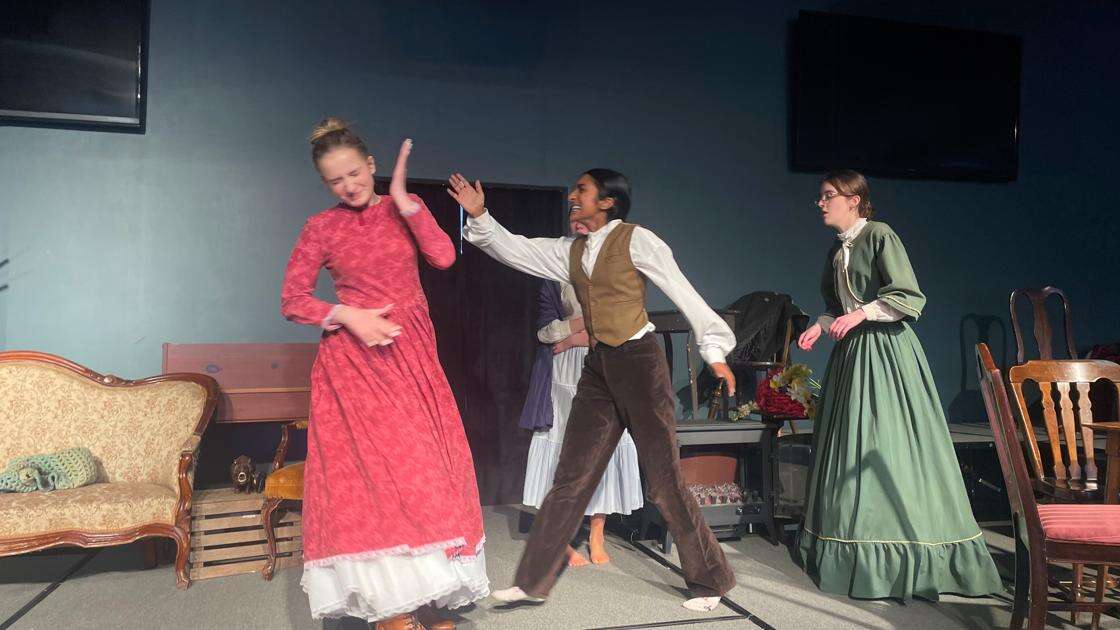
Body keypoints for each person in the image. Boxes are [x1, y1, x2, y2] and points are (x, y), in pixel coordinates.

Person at [451, 168, 737, 612]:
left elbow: (681, 290)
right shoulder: (571, 251)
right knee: (570, 478)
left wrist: (713, 349)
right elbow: (518, 250)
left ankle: (710, 580)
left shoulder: (637, 240)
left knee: (664, 481)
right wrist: (480, 216)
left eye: (582, 190)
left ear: (607, 201)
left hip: (640, 363)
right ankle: (532, 582)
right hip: (599, 366)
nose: (572, 195)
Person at [281, 119, 488, 629]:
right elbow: (293, 300)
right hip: (353, 365)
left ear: (371, 165)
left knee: (423, 475)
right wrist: (347, 314)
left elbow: (443, 257)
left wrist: (402, 199)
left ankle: (424, 592)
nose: (349, 186)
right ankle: (391, 610)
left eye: (355, 173)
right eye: (335, 181)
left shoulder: (403, 207)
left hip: (412, 358)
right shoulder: (321, 227)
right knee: (371, 483)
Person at [795, 169, 1004, 600]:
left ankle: (904, 553)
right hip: (853, 356)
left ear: (854, 200)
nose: (821, 203)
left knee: (888, 442)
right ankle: (850, 549)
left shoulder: (879, 234)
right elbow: (838, 305)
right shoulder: (837, 251)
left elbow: (907, 296)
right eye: (821, 196)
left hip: (887, 352)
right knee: (851, 444)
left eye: (828, 195)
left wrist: (861, 315)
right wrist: (822, 324)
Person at [519, 225, 644, 567]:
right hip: (565, 374)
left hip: (604, 361)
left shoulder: (616, 268)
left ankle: (597, 533)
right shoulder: (556, 272)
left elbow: (620, 323)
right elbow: (545, 332)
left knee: (604, 444)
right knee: (566, 448)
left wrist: (573, 336)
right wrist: (579, 326)